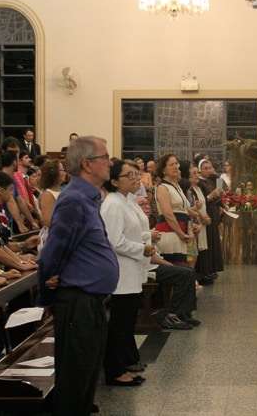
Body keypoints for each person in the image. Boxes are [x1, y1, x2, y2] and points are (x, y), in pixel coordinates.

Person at [38, 136, 119, 415]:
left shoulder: (88, 197)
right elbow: (54, 251)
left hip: (90, 300)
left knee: (87, 373)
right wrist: (47, 294)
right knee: (75, 378)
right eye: (104, 157)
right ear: (87, 164)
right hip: (77, 301)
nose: (110, 162)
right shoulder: (73, 200)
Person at [100, 160, 155, 386]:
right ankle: (115, 371)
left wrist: (147, 239)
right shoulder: (113, 204)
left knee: (126, 322)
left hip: (132, 269)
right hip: (121, 272)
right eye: (128, 175)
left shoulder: (127, 200)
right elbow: (114, 241)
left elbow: (134, 231)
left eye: (136, 174)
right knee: (119, 325)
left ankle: (123, 364)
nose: (135, 178)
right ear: (114, 181)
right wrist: (142, 248)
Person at [154, 154, 195, 266]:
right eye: (171, 164)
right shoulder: (162, 187)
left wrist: (190, 229)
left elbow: (185, 211)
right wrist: (180, 233)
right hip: (170, 233)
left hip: (182, 232)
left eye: (176, 163)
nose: (176, 167)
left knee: (185, 266)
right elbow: (168, 214)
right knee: (176, 266)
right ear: (163, 170)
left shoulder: (177, 187)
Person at [198, 159, 225, 276]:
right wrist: (211, 195)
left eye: (210, 168)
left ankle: (213, 268)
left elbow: (217, 198)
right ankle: (207, 270)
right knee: (208, 242)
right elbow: (202, 200)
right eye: (205, 168)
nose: (208, 170)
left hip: (214, 213)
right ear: (200, 170)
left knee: (214, 242)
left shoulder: (212, 180)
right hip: (206, 213)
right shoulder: (199, 183)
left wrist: (222, 205)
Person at [187, 164, 212, 282]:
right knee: (195, 250)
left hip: (202, 221)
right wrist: (202, 217)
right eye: (194, 173)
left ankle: (202, 274)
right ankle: (196, 276)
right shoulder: (189, 190)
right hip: (196, 221)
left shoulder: (198, 188)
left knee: (201, 249)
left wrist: (206, 216)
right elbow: (191, 207)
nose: (197, 175)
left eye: (198, 173)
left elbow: (203, 205)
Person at [38, 159, 65, 228]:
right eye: (62, 170)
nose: (64, 172)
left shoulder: (62, 190)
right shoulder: (47, 194)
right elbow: (48, 221)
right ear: (54, 174)